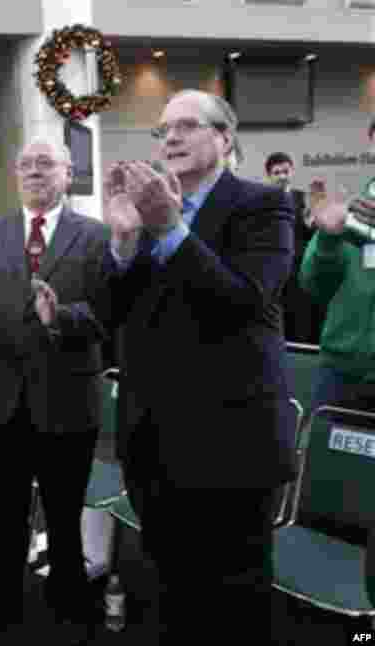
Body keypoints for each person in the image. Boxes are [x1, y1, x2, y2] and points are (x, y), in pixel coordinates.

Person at [97, 89, 296, 643]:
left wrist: (169, 231)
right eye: (163, 131)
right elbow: (113, 318)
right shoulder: (145, 215)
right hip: (154, 444)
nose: (171, 138)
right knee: (173, 593)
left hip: (232, 447)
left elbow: (245, 299)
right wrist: (122, 240)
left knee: (235, 603)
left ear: (225, 138)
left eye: (187, 126)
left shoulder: (265, 205)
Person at [0, 137, 108, 646]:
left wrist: (59, 318)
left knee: (65, 517)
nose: (35, 171)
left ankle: (68, 607)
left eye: (46, 163)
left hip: (66, 400)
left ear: (68, 173)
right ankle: (0, 609)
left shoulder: (96, 235)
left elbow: (107, 314)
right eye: (27, 164)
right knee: (1, 517)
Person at [299, 120, 375, 413]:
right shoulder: (352, 212)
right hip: (339, 371)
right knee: (325, 458)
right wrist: (328, 240)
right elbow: (313, 285)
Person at [266, 151, 324, 344]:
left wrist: (313, 223)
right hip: (274, 270)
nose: (282, 176)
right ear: (269, 176)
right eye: (277, 172)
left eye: (286, 171)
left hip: (300, 267)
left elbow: (314, 233)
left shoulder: (304, 199)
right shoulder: (262, 201)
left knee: (303, 314)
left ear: (292, 171)